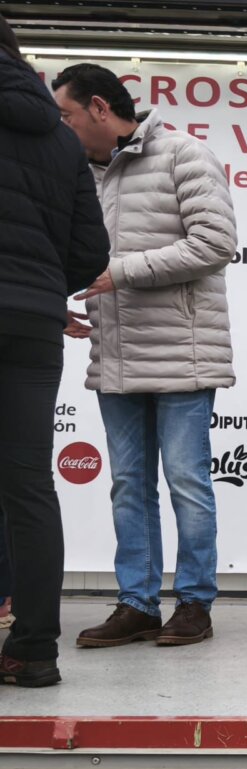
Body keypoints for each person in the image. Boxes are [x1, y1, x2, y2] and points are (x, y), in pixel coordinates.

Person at [52, 63, 236, 649]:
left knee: (186, 482)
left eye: (69, 114)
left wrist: (120, 274)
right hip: (115, 356)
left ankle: (195, 604)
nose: (64, 125)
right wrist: (52, 299)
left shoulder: (185, 153)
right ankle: (136, 604)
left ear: (101, 109)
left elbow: (216, 243)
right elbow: (69, 252)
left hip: (183, 354)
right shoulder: (80, 172)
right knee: (129, 484)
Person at [0, 22, 110, 687]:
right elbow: (90, 251)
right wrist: (43, 286)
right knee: (29, 486)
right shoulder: (57, 137)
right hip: (33, 322)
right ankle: (35, 650)